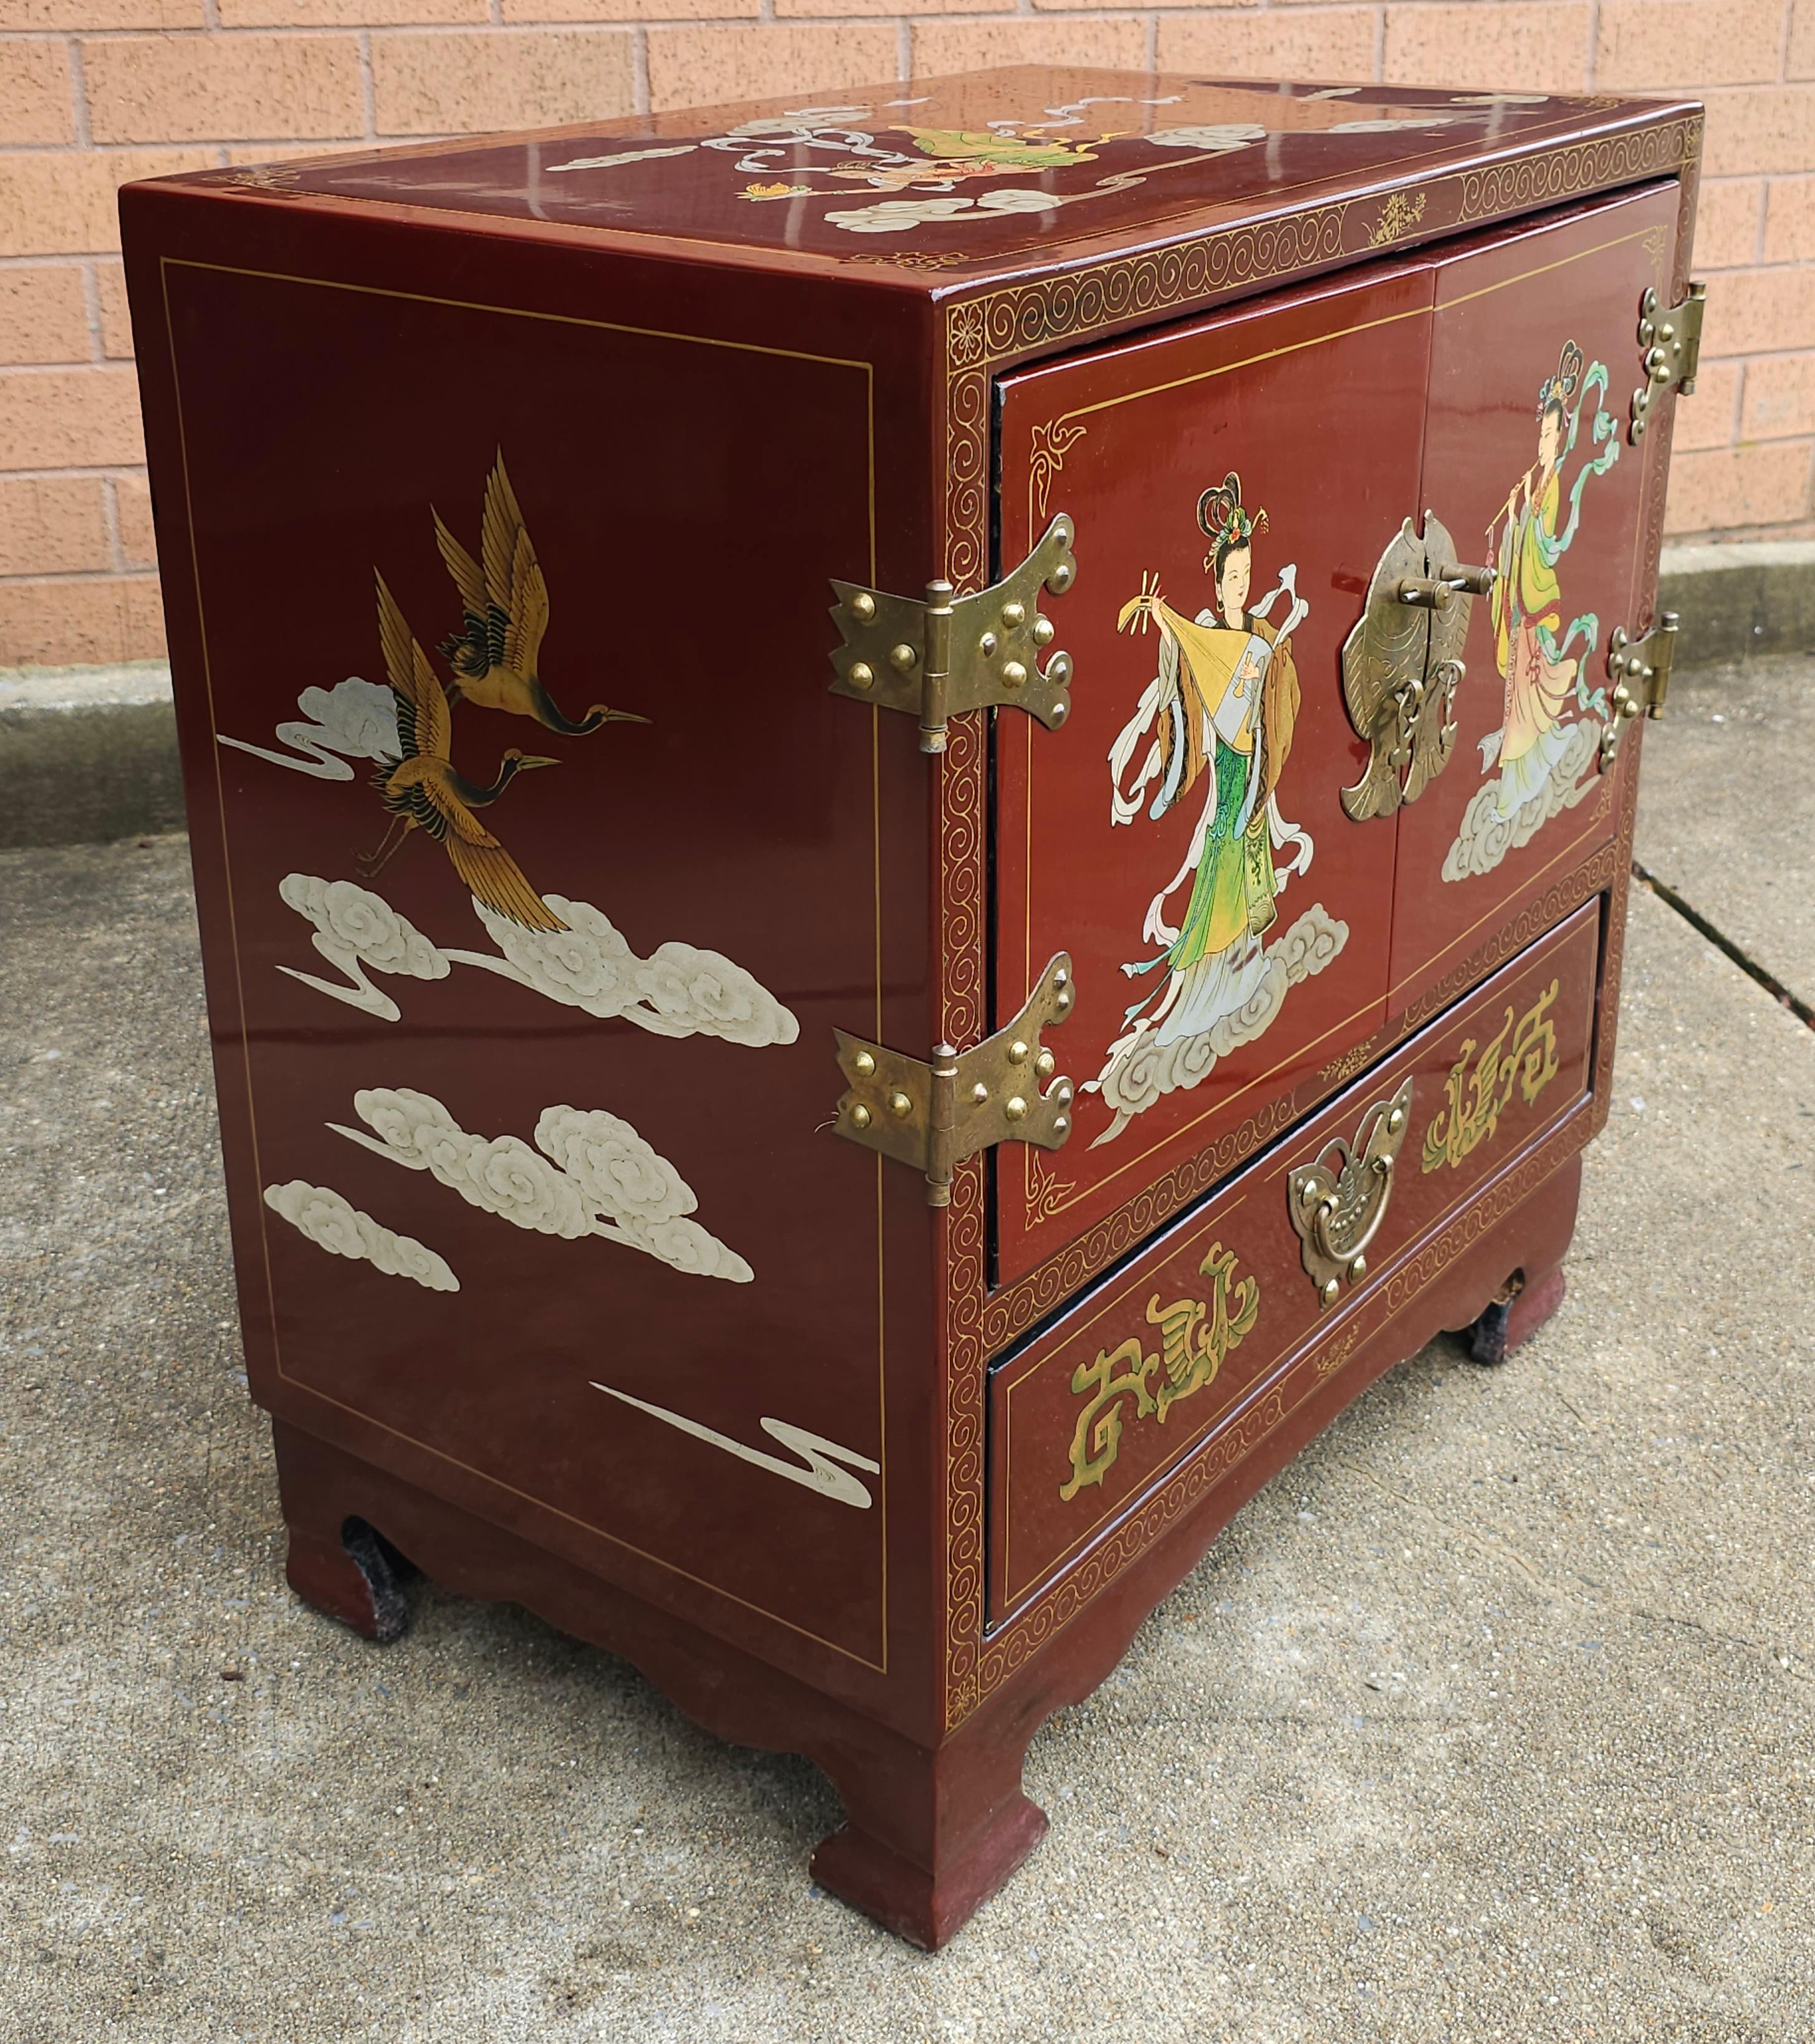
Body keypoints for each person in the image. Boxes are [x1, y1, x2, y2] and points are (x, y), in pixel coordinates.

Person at [1101, 473, 1313, 1064]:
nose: (1242, 586)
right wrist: (1161, 616)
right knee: (1226, 835)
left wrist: (1273, 669)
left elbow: (1281, 691)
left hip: (1257, 762)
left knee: (1250, 841)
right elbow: (1200, 674)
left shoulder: (1262, 636)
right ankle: (1206, 971)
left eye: (1248, 575)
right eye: (1232, 578)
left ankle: (1242, 957)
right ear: (1217, 587)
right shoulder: (1215, 637)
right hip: (1231, 762)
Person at [1479, 340, 1619, 816]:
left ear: (1561, 437)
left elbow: (1542, 545)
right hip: (1523, 610)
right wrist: (1514, 515)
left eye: (1550, 435)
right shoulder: (1535, 481)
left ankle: (1517, 788)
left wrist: (1521, 517)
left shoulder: (1552, 484)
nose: (1543, 444)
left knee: (1526, 703)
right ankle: (1518, 780)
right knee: (1519, 701)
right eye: (1540, 435)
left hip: (1533, 606)